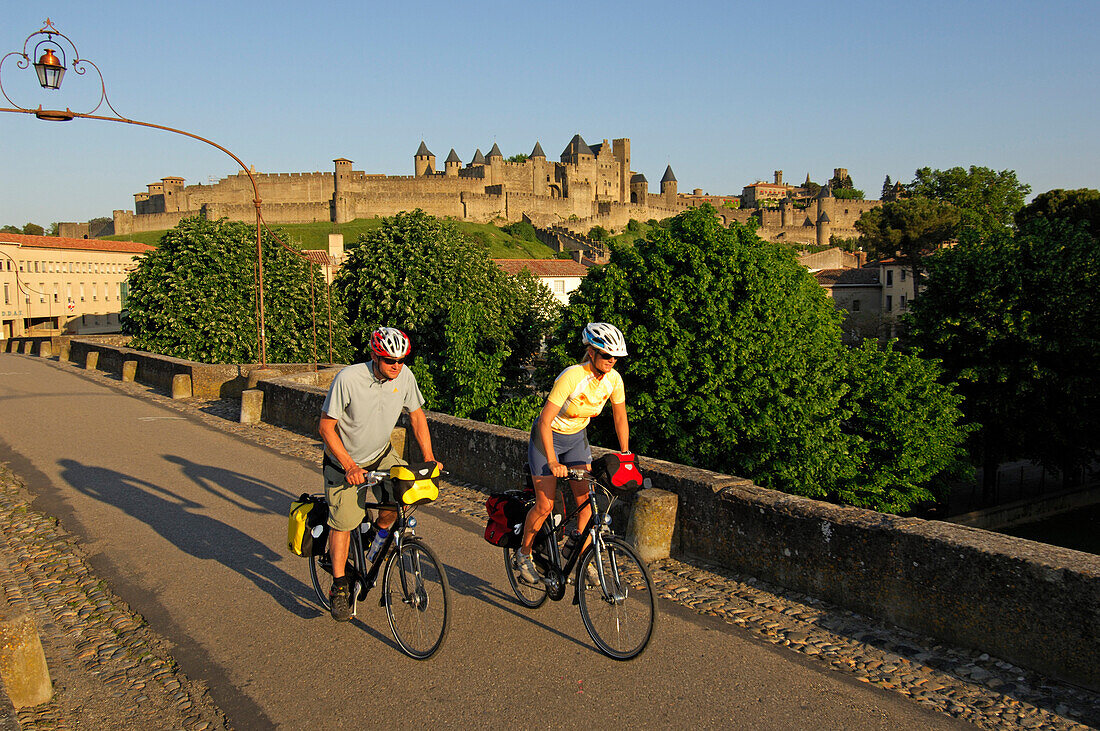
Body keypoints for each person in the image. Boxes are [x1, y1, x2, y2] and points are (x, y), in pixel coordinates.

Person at [319, 327, 441, 621]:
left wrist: (429, 458)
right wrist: (348, 465)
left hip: (382, 455)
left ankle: (375, 536)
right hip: (344, 463)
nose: (396, 366)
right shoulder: (348, 379)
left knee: (398, 504)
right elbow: (325, 427)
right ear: (375, 356)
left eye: (400, 360)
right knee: (344, 522)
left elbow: (416, 417)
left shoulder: (405, 377)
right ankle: (339, 587)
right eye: (390, 361)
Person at [515, 322, 630, 584]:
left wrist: (625, 453)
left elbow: (620, 416)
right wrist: (553, 461)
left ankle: (579, 554)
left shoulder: (614, 380)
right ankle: (524, 554)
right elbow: (545, 421)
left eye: (615, 357)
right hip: (548, 439)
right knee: (545, 505)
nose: (611, 361)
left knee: (588, 504)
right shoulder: (572, 376)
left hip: (577, 439)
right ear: (591, 352)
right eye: (605, 355)